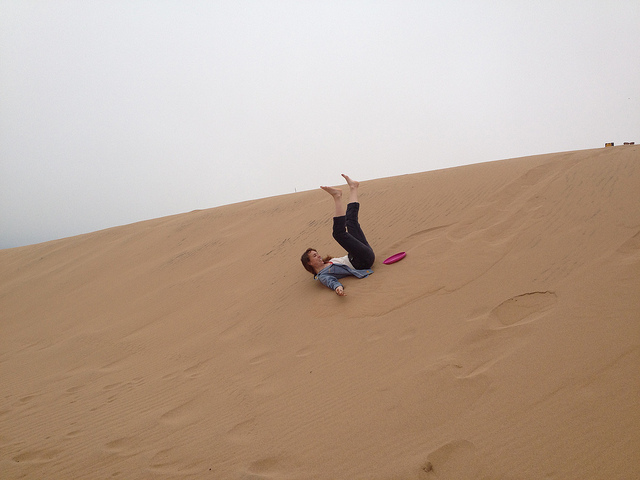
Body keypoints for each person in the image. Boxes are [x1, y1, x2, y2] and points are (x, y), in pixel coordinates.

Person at [300, 174, 375, 296]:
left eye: (316, 253)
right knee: (338, 234)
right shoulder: (323, 275)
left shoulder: (329, 262)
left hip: (361, 253)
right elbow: (331, 282)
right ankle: (337, 197)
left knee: (351, 222)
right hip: (362, 261)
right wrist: (338, 288)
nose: (318, 255)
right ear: (309, 263)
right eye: (314, 255)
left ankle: (353, 187)